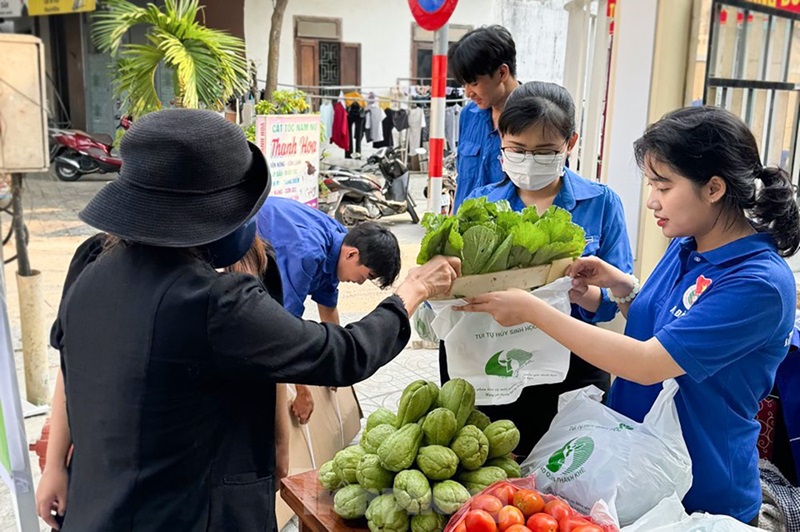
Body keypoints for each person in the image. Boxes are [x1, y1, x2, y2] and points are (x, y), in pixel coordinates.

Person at [45, 108, 459, 531]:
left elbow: (67, 364)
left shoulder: (93, 260)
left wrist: (54, 466)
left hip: (95, 507)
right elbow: (345, 354)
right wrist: (413, 291)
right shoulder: (217, 304)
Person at [457, 106, 800, 524]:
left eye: (664, 185)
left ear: (713, 188)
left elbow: (648, 363)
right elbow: (661, 325)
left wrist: (533, 309)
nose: (652, 200)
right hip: (638, 472)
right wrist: (616, 291)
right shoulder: (688, 243)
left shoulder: (758, 284)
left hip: (703, 492)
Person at [35, 235, 291, 529]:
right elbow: (74, 365)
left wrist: (280, 447)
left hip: (233, 466)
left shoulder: (257, 260)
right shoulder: (100, 258)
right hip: (126, 474)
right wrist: (54, 465)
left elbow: (272, 365)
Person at [439, 81, 634, 457]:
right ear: (502, 140)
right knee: (493, 468)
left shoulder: (602, 202)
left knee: (569, 472)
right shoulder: (482, 203)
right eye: (518, 150)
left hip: (572, 363)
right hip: (493, 359)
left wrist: (587, 294)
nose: (529, 161)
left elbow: (615, 301)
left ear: (570, 143)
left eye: (544, 152)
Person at [255, 196, 401, 424]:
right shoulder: (307, 255)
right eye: (368, 275)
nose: (362, 282)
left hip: (276, 237)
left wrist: (338, 364)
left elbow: (328, 307)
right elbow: (284, 331)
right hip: (246, 233)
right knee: (261, 343)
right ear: (352, 254)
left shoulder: (339, 242)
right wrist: (302, 391)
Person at [448, 25, 521, 212]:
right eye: (464, 84)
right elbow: (463, 178)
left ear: (502, 73)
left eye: (474, 83)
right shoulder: (468, 115)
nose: (467, 93)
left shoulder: (537, 118)